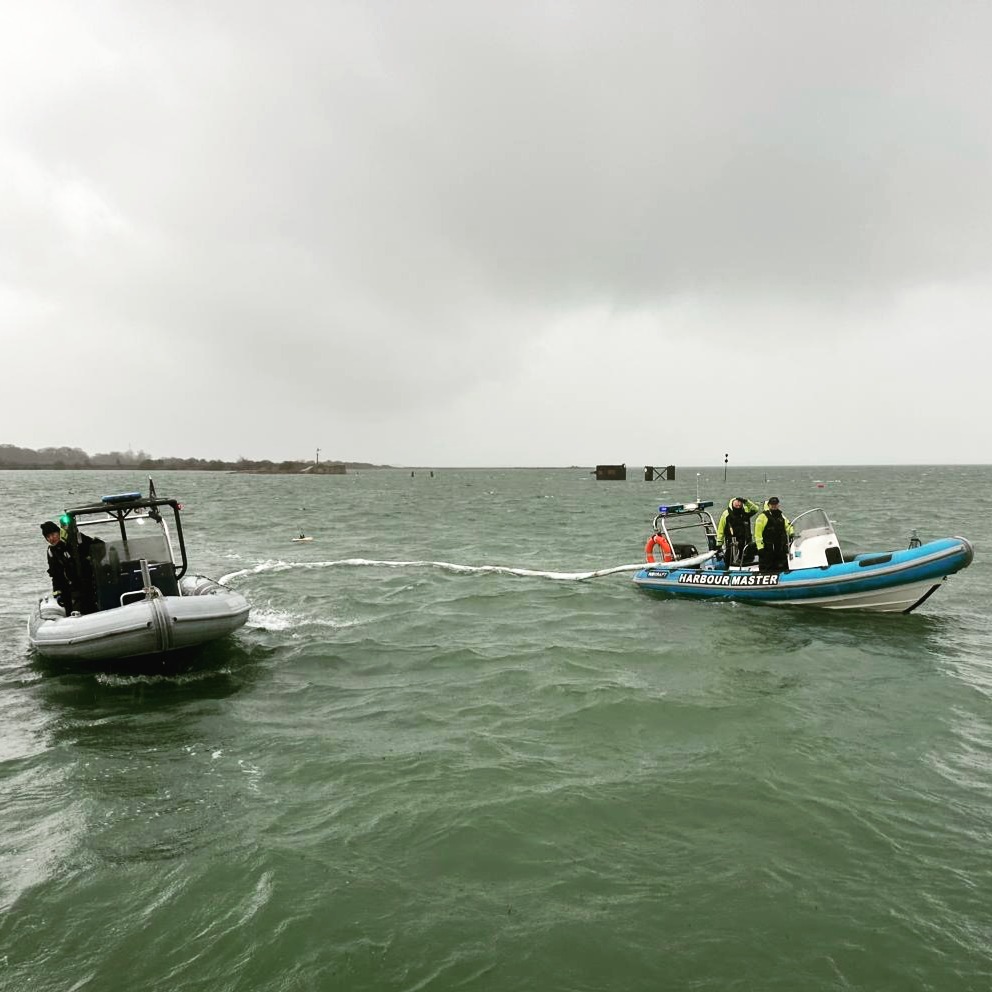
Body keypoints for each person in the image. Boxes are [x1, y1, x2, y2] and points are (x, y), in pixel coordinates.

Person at [40, 520, 98, 614]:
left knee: (88, 606)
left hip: (89, 583)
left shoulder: (76, 540)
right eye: (48, 537)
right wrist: (57, 592)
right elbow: (55, 574)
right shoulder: (51, 552)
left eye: (53, 534)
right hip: (70, 589)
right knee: (71, 610)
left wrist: (89, 560)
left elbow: (98, 547)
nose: (51, 538)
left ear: (59, 532)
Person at [715, 496, 761, 567]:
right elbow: (721, 529)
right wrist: (719, 544)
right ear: (732, 502)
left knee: (748, 557)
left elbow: (755, 509)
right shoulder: (726, 514)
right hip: (732, 542)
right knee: (730, 558)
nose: (738, 504)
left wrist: (746, 501)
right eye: (736, 502)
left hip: (746, 540)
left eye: (740, 503)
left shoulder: (745, 511)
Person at [754, 497, 794, 574]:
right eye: (772, 504)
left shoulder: (781, 515)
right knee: (767, 565)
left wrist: (791, 533)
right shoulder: (762, 517)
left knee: (782, 563)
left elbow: (788, 525)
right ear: (769, 505)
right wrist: (760, 548)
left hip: (780, 546)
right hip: (767, 547)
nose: (774, 506)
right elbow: (758, 534)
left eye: (775, 504)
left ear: (778, 505)